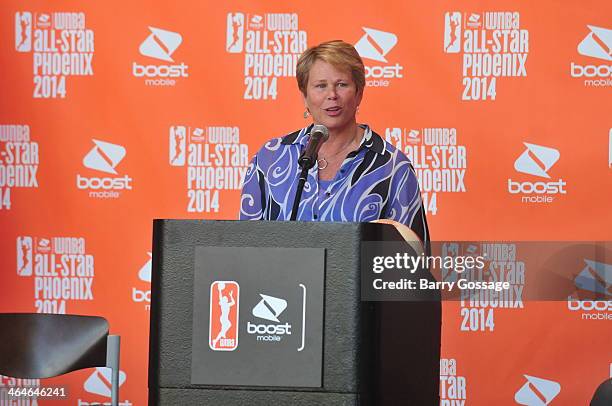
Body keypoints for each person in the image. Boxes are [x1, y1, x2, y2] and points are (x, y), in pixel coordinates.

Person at [240, 40, 429, 246]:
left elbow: (413, 259)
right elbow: (247, 248)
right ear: (305, 96)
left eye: (342, 85)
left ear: (359, 93)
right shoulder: (270, 158)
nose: (332, 95)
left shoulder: (391, 167)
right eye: (321, 86)